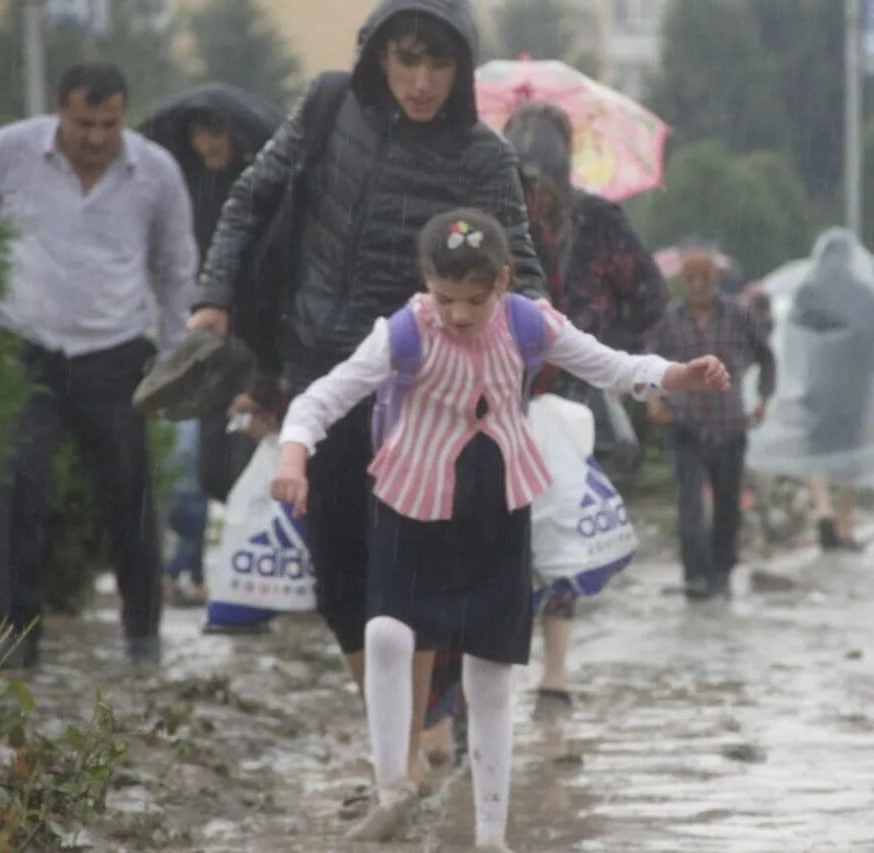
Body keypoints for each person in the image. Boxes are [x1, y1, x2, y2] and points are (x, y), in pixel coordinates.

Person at [270, 210, 728, 845]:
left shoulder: (525, 322)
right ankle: (391, 791)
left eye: (473, 300)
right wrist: (295, 452)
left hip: (499, 506)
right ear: (426, 282)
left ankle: (491, 834)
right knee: (384, 633)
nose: (457, 314)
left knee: (491, 670)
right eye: (445, 297)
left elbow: (610, 366)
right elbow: (323, 396)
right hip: (413, 501)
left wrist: (675, 376)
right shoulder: (404, 332)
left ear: (504, 281)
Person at [188, 0, 547, 787]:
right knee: (336, 568)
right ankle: (412, 727)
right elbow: (251, 198)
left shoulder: (482, 156)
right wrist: (213, 296)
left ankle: (412, 744)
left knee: (407, 570)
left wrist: (534, 344)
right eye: (404, 59)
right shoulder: (327, 106)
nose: (420, 82)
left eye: (438, 64)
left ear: (462, 68)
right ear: (377, 55)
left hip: (424, 391)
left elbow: (523, 268)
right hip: (319, 365)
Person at [0, 62, 197, 667]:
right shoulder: (8, 152)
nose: (95, 137)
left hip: (115, 353)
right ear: (60, 110)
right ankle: (15, 639)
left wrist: (173, 361)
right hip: (23, 346)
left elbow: (174, 269)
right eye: (84, 123)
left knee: (130, 497)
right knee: (16, 491)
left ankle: (143, 635)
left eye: (109, 124)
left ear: (125, 114)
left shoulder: (155, 172)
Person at [505, 101, 668, 715]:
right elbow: (650, 300)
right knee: (545, 526)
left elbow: (649, 298)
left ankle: (543, 672)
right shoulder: (580, 219)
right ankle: (545, 671)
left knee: (545, 525)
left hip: (547, 390)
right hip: (527, 390)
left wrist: (602, 350)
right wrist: (604, 344)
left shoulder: (586, 221)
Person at [141, 85, 284, 608]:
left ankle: (259, 570)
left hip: (256, 338)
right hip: (199, 337)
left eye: (216, 131)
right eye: (198, 132)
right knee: (198, 462)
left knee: (246, 452)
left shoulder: (263, 188)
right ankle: (191, 563)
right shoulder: (186, 184)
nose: (207, 143)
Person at [747, 229, 874, 552]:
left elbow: (793, 332)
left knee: (816, 449)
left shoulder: (808, 290)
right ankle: (845, 525)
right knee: (850, 453)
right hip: (853, 391)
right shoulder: (863, 293)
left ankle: (822, 509)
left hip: (816, 386)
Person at [649, 250, 775, 599]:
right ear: (683, 282)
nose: (699, 286)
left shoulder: (738, 315)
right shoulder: (670, 321)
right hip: (686, 424)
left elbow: (766, 356)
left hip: (729, 424)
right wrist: (655, 401)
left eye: (706, 278)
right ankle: (696, 576)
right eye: (692, 278)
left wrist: (764, 400)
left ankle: (722, 570)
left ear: (716, 279)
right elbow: (650, 364)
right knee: (689, 503)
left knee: (727, 506)